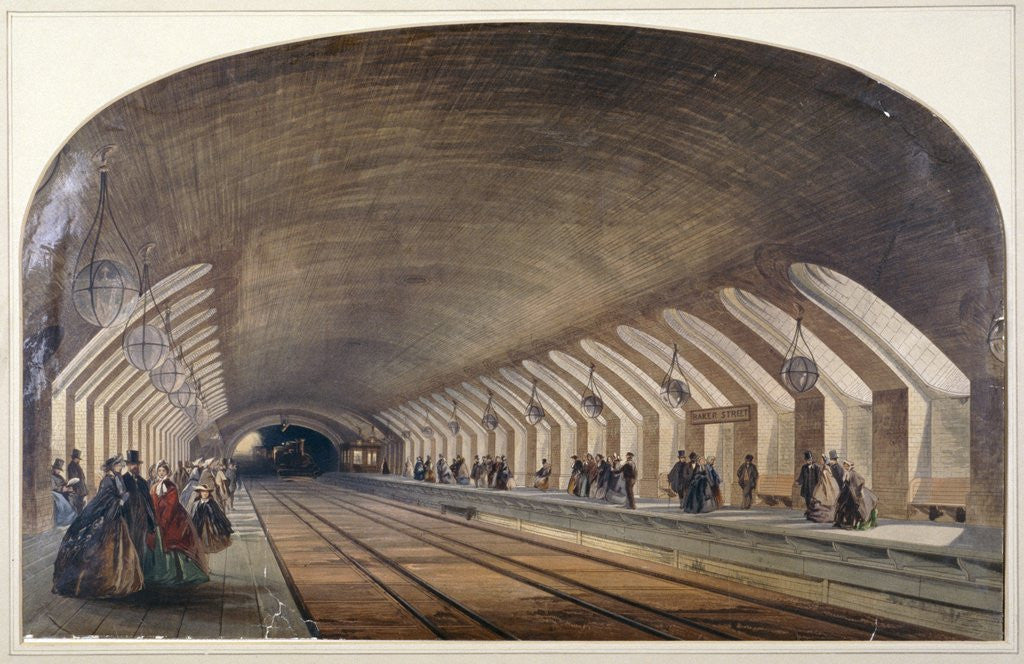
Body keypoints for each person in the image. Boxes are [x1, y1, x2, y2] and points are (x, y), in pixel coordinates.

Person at [52, 454, 145, 598]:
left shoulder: (117, 477)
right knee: (102, 550)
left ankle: (123, 581)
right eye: (119, 465)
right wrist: (118, 502)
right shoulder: (107, 480)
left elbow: (122, 493)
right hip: (108, 518)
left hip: (117, 517)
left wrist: (124, 498)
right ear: (112, 466)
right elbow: (104, 498)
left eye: (121, 465)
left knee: (123, 550)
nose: (121, 467)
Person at [145, 461, 209, 587]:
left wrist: (164, 519)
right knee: (158, 543)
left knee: (173, 542)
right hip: (158, 519)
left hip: (172, 518)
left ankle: (177, 573)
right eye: (159, 471)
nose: (161, 473)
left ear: (167, 472)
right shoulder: (154, 486)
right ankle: (160, 571)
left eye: (163, 471)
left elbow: (172, 504)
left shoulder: (171, 486)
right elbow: (152, 501)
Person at [122, 450, 157, 572]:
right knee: (129, 546)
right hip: (129, 519)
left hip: (142, 520)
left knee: (141, 546)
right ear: (128, 465)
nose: (134, 466)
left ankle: (140, 573)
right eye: (132, 464)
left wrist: (152, 520)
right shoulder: (123, 480)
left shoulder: (142, 482)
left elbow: (149, 502)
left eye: (136, 464)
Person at [833, 460, 878, 530]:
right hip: (847, 492)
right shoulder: (846, 473)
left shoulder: (853, 473)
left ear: (850, 466)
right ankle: (841, 522)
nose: (845, 466)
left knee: (853, 508)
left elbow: (861, 480)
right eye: (844, 465)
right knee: (842, 506)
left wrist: (859, 490)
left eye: (846, 465)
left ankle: (854, 524)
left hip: (852, 493)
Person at [190, 484, 234, 553]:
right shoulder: (196, 503)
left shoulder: (212, 503)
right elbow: (193, 514)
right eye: (203, 492)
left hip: (210, 523)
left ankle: (208, 546)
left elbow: (218, 514)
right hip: (198, 523)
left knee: (209, 534)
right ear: (200, 493)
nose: (205, 493)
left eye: (207, 492)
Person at [807, 453, 840, 523]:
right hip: (825, 484)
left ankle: (823, 516)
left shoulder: (825, 469)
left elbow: (825, 478)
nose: (820, 460)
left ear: (824, 461)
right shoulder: (827, 468)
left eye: (822, 459)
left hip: (824, 485)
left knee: (821, 497)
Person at [50, 459, 77, 527]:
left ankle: (73, 516)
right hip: (56, 493)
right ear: (54, 468)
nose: (59, 471)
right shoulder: (51, 477)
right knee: (62, 502)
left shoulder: (59, 476)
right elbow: (53, 487)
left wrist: (68, 486)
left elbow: (64, 482)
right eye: (58, 469)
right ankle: (64, 521)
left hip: (64, 492)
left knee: (73, 496)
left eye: (59, 470)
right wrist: (62, 489)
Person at [796, 450, 821, 515]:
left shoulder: (816, 467)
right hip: (806, 487)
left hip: (813, 487)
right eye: (807, 460)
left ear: (812, 459)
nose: (809, 461)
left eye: (810, 459)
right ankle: (809, 511)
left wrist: (819, 487)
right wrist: (799, 482)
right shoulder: (804, 467)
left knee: (813, 500)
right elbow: (801, 476)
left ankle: (813, 512)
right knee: (807, 500)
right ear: (806, 460)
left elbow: (818, 478)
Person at [66, 449, 88, 514]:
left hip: (81, 488)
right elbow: (73, 478)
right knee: (79, 505)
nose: (79, 460)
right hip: (77, 489)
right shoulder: (72, 466)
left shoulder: (76, 465)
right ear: (75, 458)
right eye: (78, 459)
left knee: (81, 504)